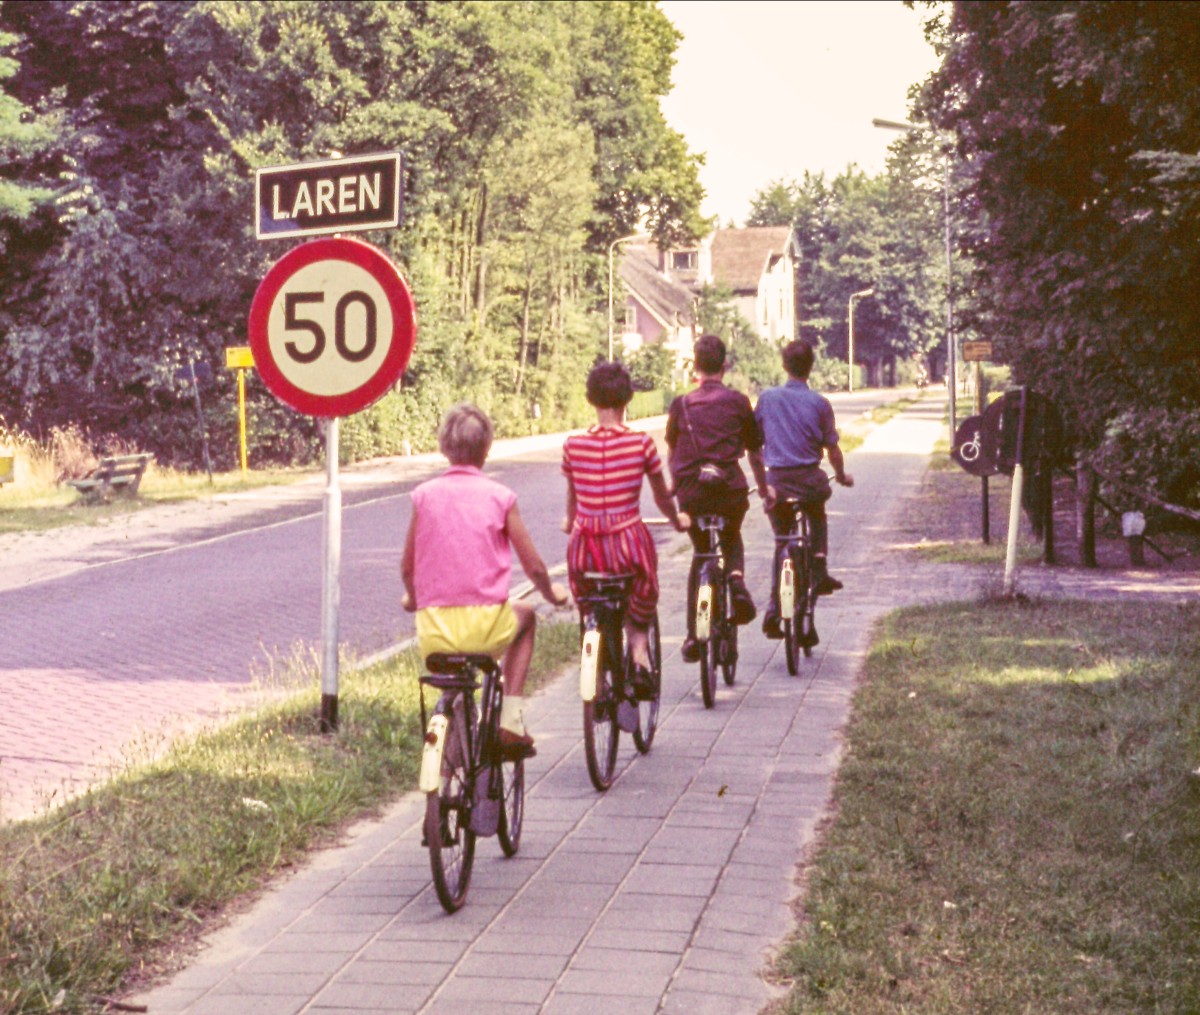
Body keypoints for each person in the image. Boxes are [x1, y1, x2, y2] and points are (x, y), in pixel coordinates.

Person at [401, 403, 569, 758]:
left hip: (435, 634)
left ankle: (445, 775)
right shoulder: (500, 497)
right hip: (486, 629)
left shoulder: (424, 496)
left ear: (444, 446)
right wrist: (551, 593)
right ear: (487, 448)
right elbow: (534, 566)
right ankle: (511, 720)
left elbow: (408, 565)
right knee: (528, 617)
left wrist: (412, 598)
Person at [562, 362, 689, 702]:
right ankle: (638, 651)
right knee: (644, 585)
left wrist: (569, 519)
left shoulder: (573, 446)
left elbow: (573, 500)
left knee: (587, 598)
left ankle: (596, 656)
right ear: (627, 399)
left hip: (585, 547)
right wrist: (676, 520)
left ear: (591, 400)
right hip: (626, 544)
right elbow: (662, 496)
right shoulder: (641, 445)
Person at [665, 334, 771, 663]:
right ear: (724, 367)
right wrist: (764, 488)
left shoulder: (680, 405)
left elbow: (672, 449)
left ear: (695, 367)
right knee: (731, 536)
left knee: (700, 553)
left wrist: (674, 485)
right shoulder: (739, 402)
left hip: (692, 492)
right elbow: (754, 451)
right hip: (728, 489)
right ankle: (737, 583)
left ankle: (692, 637)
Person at [754, 339, 854, 639]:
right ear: (811, 367)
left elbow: (755, 441)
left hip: (778, 482)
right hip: (809, 481)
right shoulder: (820, 404)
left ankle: (774, 609)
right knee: (817, 512)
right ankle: (819, 569)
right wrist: (841, 475)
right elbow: (833, 449)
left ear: (784, 366)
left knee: (782, 540)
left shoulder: (768, 398)